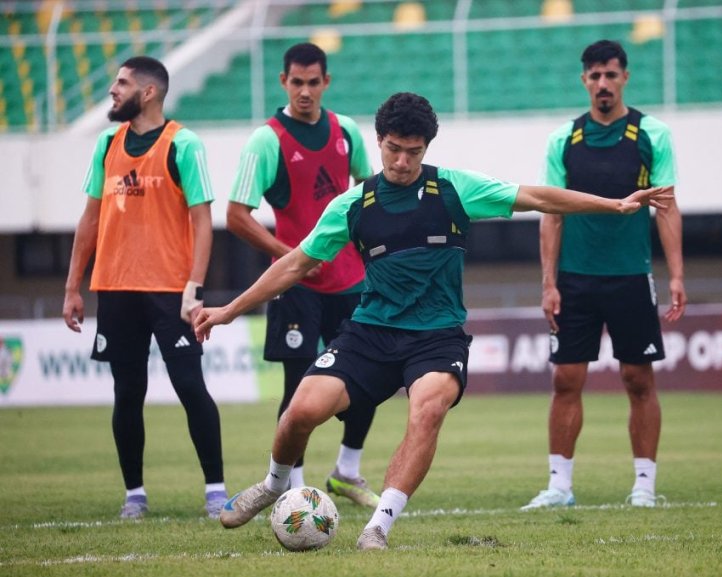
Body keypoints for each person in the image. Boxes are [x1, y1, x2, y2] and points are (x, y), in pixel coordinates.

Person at [193, 92, 672, 550]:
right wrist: (230, 311)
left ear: (427, 148)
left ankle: (378, 528)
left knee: (427, 409)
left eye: (413, 152)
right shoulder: (353, 205)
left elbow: (537, 197)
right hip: (370, 333)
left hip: (437, 338)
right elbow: (294, 264)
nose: (402, 161)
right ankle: (274, 484)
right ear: (378, 141)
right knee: (299, 411)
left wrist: (614, 204)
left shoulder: (453, 189)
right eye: (393, 150)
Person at [522, 40, 686, 511]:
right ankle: (559, 487)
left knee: (638, 380)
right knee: (566, 381)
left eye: (611, 74)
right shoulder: (564, 140)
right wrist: (548, 283)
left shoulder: (651, 134)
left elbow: (668, 207)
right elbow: (550, 214)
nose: (602, 84)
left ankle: (644, 487)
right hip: (575, 281)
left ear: (625, 78)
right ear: (584, 81)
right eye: (594, 75)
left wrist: (676, 275)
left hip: (632, 277)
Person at [62, 56, 226, 520]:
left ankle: (216, 490)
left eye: (122, 83)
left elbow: (202, 221)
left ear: (148, 92)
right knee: (126, 392)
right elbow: (90, 218)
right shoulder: (107, 143)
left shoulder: (184, 144)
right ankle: (134, 494)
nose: (113, 90)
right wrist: (73, 286)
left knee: (191, 387)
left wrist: (194, 286)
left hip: (171, 291)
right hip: (114, 287)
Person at [225, 42, 379, 508]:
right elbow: (236, 215)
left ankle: (346, 472)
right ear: (283, 82)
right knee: (298, 391)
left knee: (366, 381)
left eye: (314, 82)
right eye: (297, 82)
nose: (306, 91)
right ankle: (296, 492)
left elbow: (369, 191)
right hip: (295, 287)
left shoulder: (346, 131)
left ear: (326, 82)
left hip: (350, 282)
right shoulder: (265, 140)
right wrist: (288, 253)